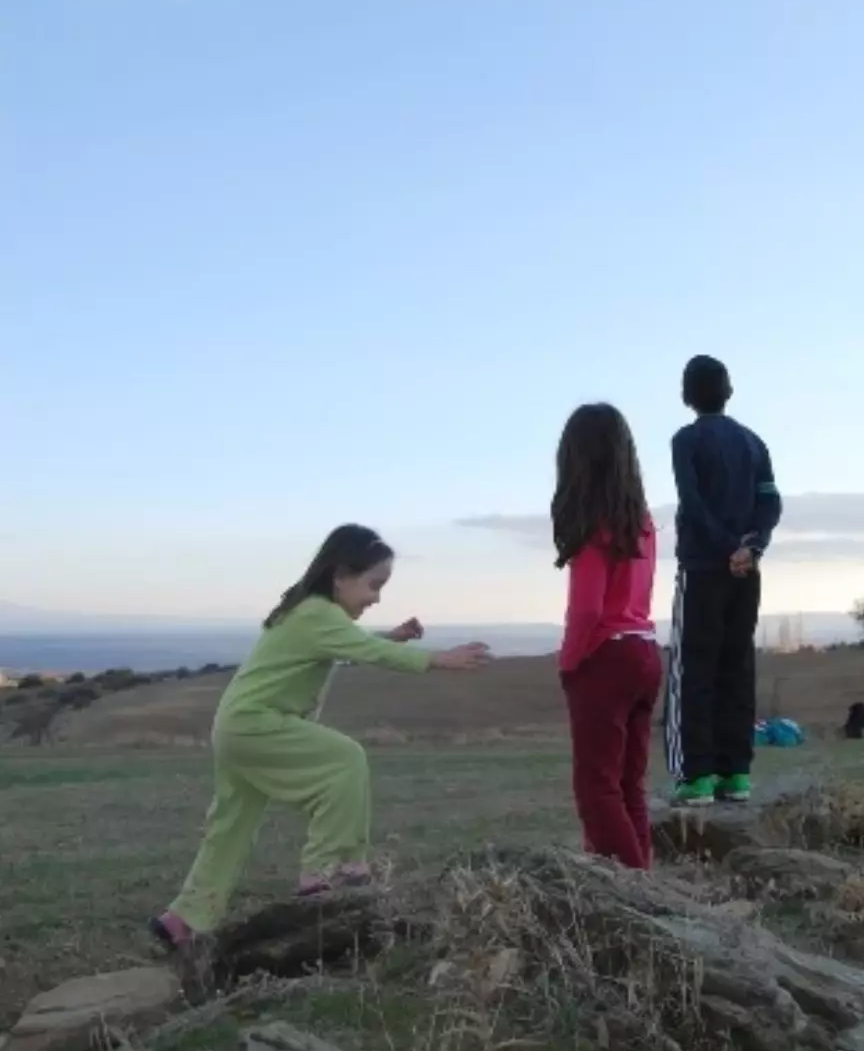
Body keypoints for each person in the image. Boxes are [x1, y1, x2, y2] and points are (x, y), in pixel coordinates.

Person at [150, 524, 490, 947]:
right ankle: (327, 873)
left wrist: (393, 636)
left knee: (230, 828)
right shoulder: (318, 613)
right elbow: (367, 651)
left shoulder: (308, 610)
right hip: (258, 723)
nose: (376, 598)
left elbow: (352, 645)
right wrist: (440, 659)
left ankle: (184, 919)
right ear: (341, 575)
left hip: (235, 727)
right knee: (344, 760)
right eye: (374, 585)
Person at [664, 356, 781, 806]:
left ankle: (696, 776)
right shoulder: (754, 443)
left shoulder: (685, 440)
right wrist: (751, 547)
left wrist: (724, 547)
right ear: (729, 392)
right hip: (746, 571)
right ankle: (736, 774)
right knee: (737, 665)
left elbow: (691, 502)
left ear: (686, 396)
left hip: (702, 567)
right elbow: (771, 502)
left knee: (693, 669)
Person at [553, 404, 661, 869]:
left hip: (606, 658)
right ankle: (645, 879)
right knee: (628, 784)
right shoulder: (643, 522)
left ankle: (634, 899)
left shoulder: (593, 528)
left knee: (596, 788)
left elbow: (588, 609)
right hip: (645, 650)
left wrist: (570, 661)